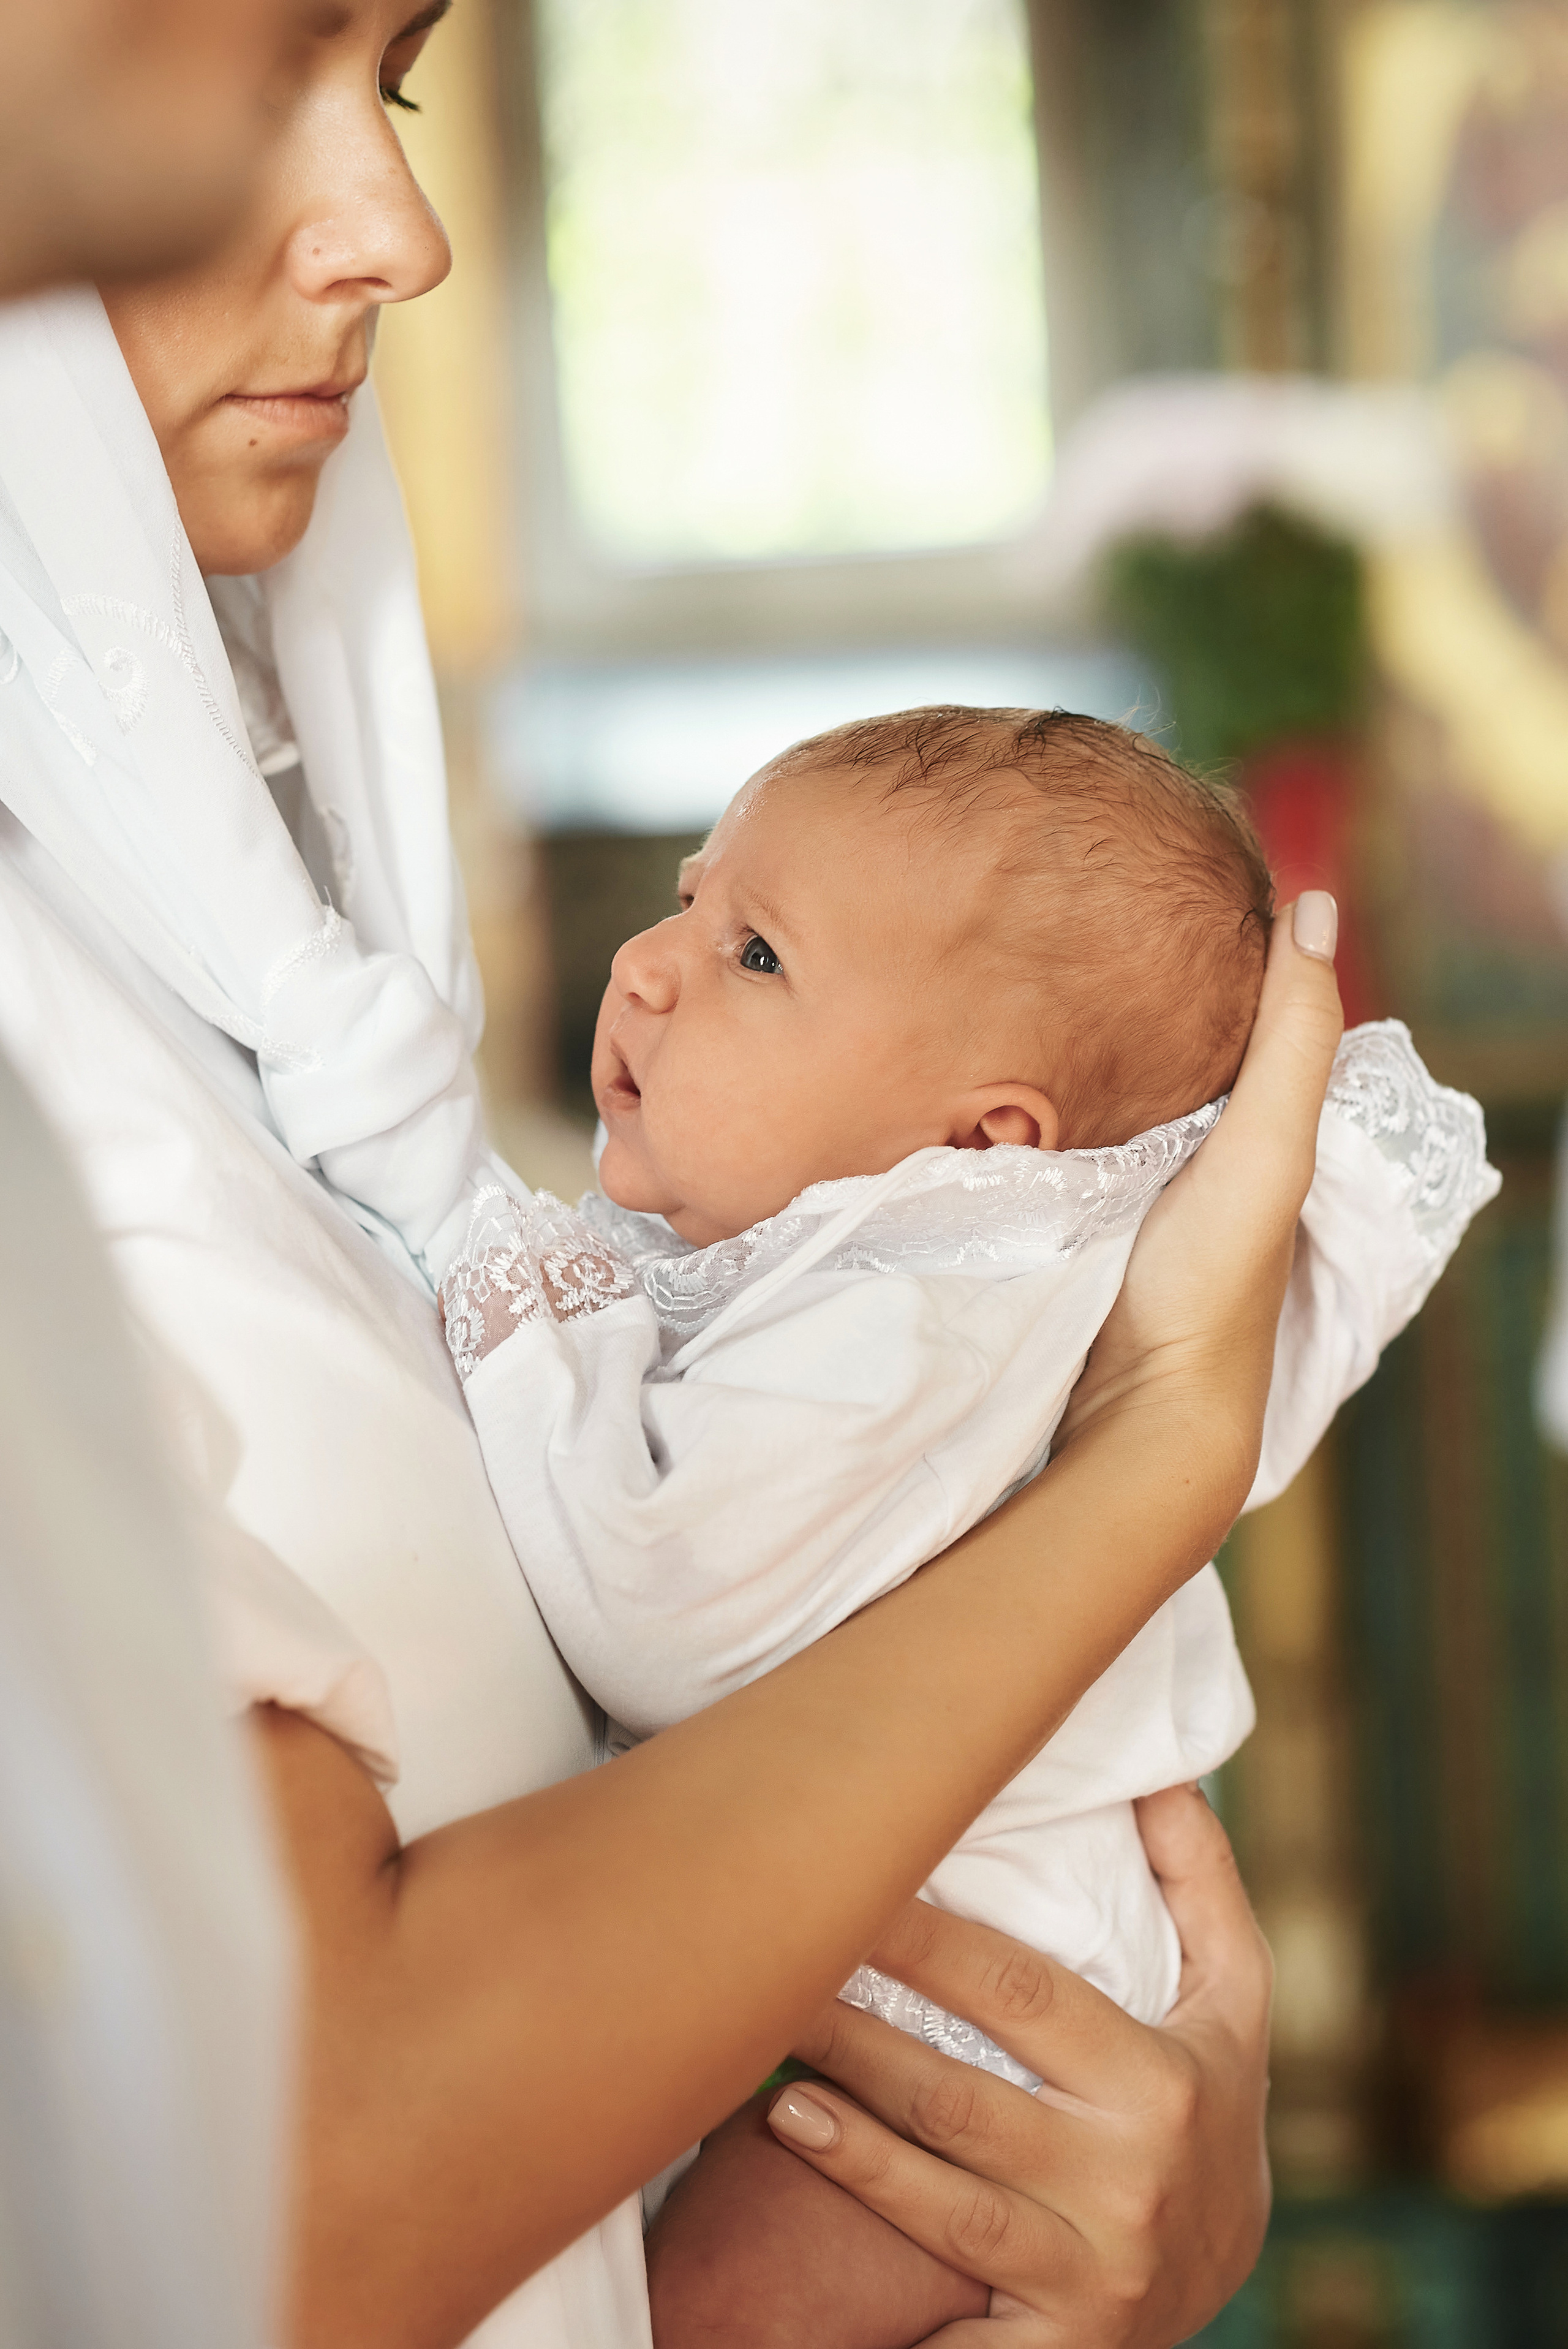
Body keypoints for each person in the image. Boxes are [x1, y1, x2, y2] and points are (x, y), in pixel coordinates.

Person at [0, 4, 1340, 2343]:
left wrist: (1126, 2200)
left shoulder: (276, 999)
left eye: (396, 82)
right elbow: (301, 2191)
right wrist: (1158, 1449)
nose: (401, 235)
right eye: (240, 87)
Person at [431, 708, 1496, 2342]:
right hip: (992, 2006)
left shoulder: (917, 1320)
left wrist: (523, 1313)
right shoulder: (935, 1275)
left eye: (757, 953)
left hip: (997, 2056)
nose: (649, 965)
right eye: (690, 899)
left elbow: (657, 1606)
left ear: (985, 1143)